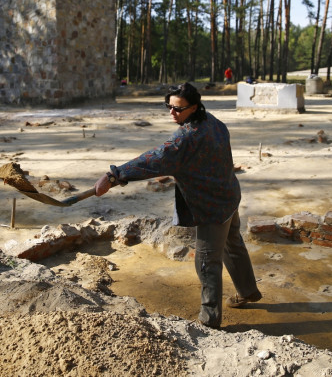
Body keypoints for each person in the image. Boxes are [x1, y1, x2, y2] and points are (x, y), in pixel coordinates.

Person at [94, 82, 261, 329]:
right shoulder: (213, 122)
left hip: (211, 207)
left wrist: (114, 175)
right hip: (229, 195)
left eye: (178, 109)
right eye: (169, 107)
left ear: (194, 107)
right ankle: (248, 291)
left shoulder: (187, 138)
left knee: (206, 261)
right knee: (233, 244)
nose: (172, 113)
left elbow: (156, 159)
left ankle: (209, 320)